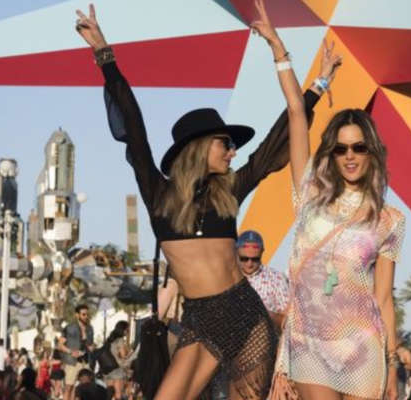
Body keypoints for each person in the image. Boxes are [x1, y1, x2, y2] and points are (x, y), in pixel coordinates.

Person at [73, 1, 335, 397]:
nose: (232, 151)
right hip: (199, 320)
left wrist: (318, 86)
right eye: (224, 143)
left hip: (244, 315)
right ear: (198, 147)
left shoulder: (229, 190)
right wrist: (103, 53)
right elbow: (134, 125)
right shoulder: (158, 194)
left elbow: (274, 143)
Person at [261, 0, 406, 396]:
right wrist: (280, 51)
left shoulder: (390, 219)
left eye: (359, 147)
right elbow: (296, 113)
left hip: (364, 347)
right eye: (341, 149)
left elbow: (383, 299)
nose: (350, 156)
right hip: (309, 344)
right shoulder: (310, 194)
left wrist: (393, 363)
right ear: (331, 154)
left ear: (372, 153)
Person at [236, 230, 289, 330]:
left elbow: (289, 321)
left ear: (262, 252)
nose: (249, 264)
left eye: (255, 259)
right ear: (236, 252)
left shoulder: (276, 278)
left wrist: (266, 315)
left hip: (265, 336)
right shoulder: (227, 276)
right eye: (244, 259)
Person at [57, 304, 94, 400]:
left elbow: (90, 344)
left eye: (87, 314)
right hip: (72, 361)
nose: (86, 316)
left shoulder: (90, 328)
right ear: (77, 315)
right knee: (69, 387)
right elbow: (60, 345)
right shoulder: (69, 328)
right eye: (83, 314)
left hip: (86, 361)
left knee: (86, 387)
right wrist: (70, 351)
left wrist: (91, 347)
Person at [102, 321, 135, 400]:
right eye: (127, 329)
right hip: (117, 370)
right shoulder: (120, 340)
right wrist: (132, 353)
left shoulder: (108, 340)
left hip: (107, 370)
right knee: (118, 394)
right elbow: (123, 356)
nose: (128, 332)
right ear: (123, 330)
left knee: (110, 394)